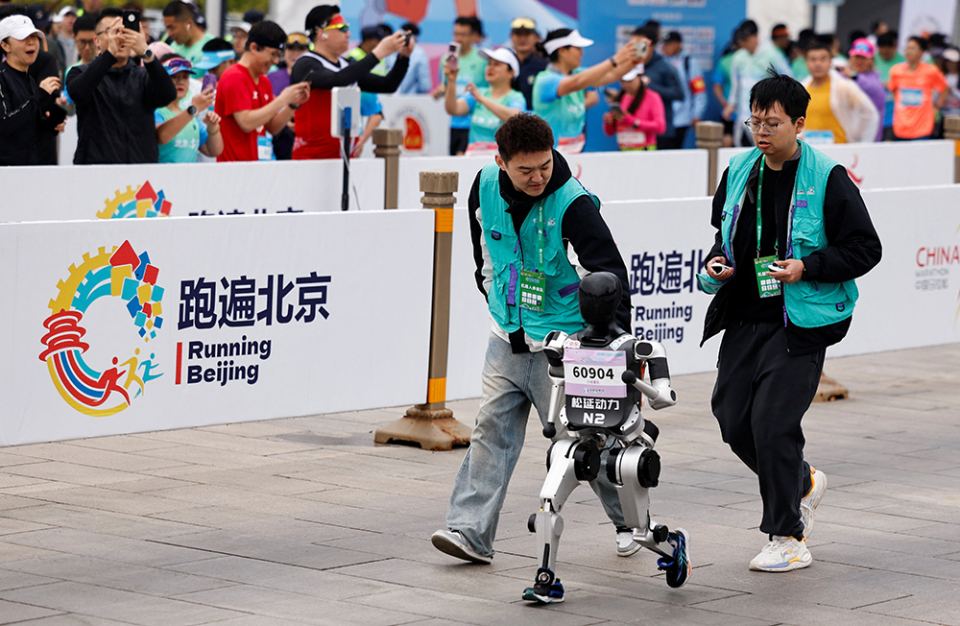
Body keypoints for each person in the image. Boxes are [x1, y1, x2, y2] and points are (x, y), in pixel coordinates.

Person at [431, 112, 642, 565]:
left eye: (544, 165)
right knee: (490, 431)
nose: (537, 177)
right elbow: (484, 256)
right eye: (525, 169)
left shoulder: (573, 203)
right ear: (501, 162)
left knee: (587, 440)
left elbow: (610, 277)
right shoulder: (484, 186)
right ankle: (470, 532)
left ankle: (631, 522)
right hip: (506, 336)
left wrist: (611, 347)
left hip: (564, 345)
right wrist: (500, 307)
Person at [699, 71, 881, 572]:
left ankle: (788, 536)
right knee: (732, 420)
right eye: (754, 121)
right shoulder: (739, 170)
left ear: (799, 124)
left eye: (772, 123)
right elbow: (722, 235)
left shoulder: (828, 177)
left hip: (799, 320)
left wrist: (808, 266)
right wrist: (717, 263)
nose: (761, 131)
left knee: (773, 424)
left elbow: (866, 248)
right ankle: (802, 481)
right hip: (745, 314)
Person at [289, 5, 410, 160]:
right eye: (343, 28)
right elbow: (337, 80)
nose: (348, 34)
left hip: (345, 157)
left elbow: (388, 85)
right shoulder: (305, 64)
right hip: (312, 158)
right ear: (322, 33)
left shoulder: (345, 64)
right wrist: (379, 53)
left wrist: (403, 57)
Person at [67, 8, 177, 164]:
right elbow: (78, 93)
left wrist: (145, 52)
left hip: (139, 171)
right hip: (95, 171)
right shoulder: (80, 73)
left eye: (124, 31)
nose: (119, 37)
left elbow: (168, 95)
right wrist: (110, 54)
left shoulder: (143, 76)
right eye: (112, 31)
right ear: (97, 41)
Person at [214, 20, 310, 162]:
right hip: (233, 168)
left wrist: (292, 105)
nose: (276, 61)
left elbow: (272, 127)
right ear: (254, 48)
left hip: (257, 166)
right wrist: (282, 99)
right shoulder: (234, 77)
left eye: (279, 56)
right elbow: (246, 123)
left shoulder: (264, 81)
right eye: (274, 54)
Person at [533, 28, 640, 154]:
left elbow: (613, 74)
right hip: (549, 156)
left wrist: (635, 60)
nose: (582, 53)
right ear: (562, 51)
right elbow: (578, 82)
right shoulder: (545, 80)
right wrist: (615, 59)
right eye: (578, 48)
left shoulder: (578, 73)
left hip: (575, 155)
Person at [0, 14, 66, 165]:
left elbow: (26, 126)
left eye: (34, 37)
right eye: (23, 38)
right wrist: (40, 96)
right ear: (5, 45)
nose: (31, 43)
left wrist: (50, 124)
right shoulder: (2, 77)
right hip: (6, 171)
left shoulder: (29, 80)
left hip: (32, 168)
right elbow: (4, 124)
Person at [444, 46, 525, 155]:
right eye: (489, 63)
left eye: (497, 64)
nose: (490, 68)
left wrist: (482, 99)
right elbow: (453, 109)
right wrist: (451, 81)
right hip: (473, 159)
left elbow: (515, 118)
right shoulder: (480, 93)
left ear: (511, 73)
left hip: (500, 160)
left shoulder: (515, 97)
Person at [725, 20, 793, 147]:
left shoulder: (772, 55)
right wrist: (731, 105)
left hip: (766, 112)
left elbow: (788, 79)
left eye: (746, 39)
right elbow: (736, 84)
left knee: (765, 146)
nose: (743, 43)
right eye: (741, 40)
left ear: (755, 36)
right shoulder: (738, 57)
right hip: (743, 114)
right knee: (743, 147)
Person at [801, 41, 878, 145]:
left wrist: (857, 137)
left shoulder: (844, 86)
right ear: (806, 63)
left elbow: (868, 112)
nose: (818, 64)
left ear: (830, 62)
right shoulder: (801, 89)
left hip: (839, 148)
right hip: (810, 149)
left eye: (823, 59)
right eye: (813, 60)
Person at [431, 16, 488, 155]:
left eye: (463, 34)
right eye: (456, 34)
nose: (459, 38)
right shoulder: (446, 60)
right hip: (454, 121)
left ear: (473, 36)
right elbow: (444, 86)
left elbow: (490, 90)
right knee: (455, 161)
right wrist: (439, 91)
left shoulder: (482, 59)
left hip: (475, 123)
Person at [155, 56, 221, 162]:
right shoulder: (155, 110)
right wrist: (193, 109)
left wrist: (212, 127)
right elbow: (161, 137)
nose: (180, 82)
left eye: (185, 77)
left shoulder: (190, 116)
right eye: (174, 76)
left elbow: (213, 151)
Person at [631, 25, 683, 150]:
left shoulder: (665, 67)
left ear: (652, 46)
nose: (636, 48)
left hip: (660, 134)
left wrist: (649, 87)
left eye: (640, 44)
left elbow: (679, 94)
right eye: (633, 44)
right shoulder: (631, 66)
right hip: (636, 132)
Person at [345, 24, 392, 158]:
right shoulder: (354, 55)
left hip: (375, 100)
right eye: (378, 40)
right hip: (359, 103)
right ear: (369, 40)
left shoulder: (380, 58)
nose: (380, 43)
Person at [888, 36, 949, 141]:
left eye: (912, 48)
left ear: (921, 52)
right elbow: (892, 89)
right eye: (907, 48)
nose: (908, 51)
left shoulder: (931, 71)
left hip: (922, 128)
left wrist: (936, 107)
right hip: (901, 126)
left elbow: (945, 89)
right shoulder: (896, 71)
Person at [267, 32, 309, 159]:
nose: (295, 54)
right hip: (277, 141)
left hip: (307, 141)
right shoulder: (271, 77)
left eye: (300, 49)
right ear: (284, 52)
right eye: (291, 49)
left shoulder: (315, 78)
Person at [660, 30, 705, 150]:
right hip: (663, 117)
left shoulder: (689, 63)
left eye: (669, 44)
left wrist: (696, 114)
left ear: (678, 44)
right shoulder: (661, 62)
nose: (665, 47)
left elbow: (699, 91)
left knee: (676, 151)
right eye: (664, 44)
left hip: (681, 118)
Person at [602, 66, 665, 150]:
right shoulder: (620, 98)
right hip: (623, 152)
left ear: (640, 77)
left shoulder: (652, 97)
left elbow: (660, 127)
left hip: (646, 151)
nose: (626, 85)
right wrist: (609, 122)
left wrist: (633, 122)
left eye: (630, 81)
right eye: (623, 81)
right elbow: (610, 132)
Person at [846, 38, 886, 142]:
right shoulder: (844, 77)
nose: (859, 61)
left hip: (870, 137)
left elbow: (873, 88)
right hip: (848, 137)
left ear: (871, 60)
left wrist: (853, 76)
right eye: (856, 57)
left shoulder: (874, 80)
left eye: (863, 58)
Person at [162, 0, 211, 73]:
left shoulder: (212, 47)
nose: (169, 34)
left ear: (188, 24)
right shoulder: (172, 48)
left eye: (172, 28)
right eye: (167, 28)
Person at [509, 16, 546, 110]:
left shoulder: (545, 65)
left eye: (527, 34)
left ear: (536, 37)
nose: (522, 39)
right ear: (511, 37)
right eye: (518, 35)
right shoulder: (506, 63)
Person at [875, 31, 904, 141]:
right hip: (876, 114)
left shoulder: (903, 61)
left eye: (888, 53)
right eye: (882, 52)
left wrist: (892, 84)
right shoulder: (872, 60)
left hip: (894, 116)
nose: (885, 55)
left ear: (895, 46)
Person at [389, 22, 430, 94]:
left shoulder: (391, 50)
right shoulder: (420, 54)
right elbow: (424, 85)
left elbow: (424, 86)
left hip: (389, 96)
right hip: (409, 97)